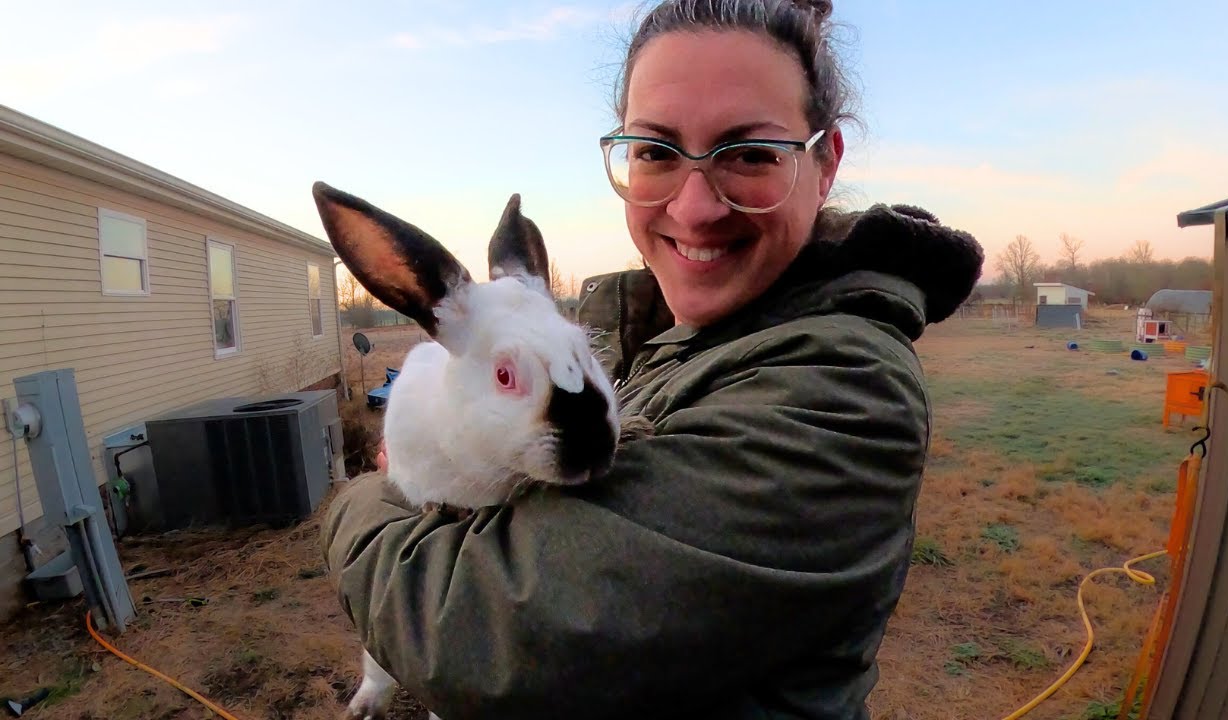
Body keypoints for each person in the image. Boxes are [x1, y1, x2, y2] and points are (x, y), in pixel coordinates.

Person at [321, 0, 984, 717]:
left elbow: (480, 632)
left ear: (825, 166)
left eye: (751, 153)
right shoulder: (671, 336)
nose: (695, 208)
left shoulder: (847, 394)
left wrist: (357, 503)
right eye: (657, 152)